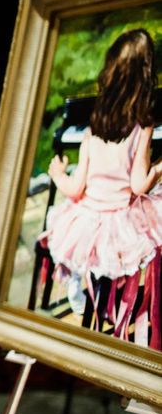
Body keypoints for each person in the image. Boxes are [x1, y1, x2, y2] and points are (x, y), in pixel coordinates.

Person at [42, 28, 162, 344]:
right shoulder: (143, 126)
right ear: (146, 75)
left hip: (91, 221)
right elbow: (138, 185)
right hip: (121, 222)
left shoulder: (94, 126)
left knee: (95, 254)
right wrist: (159, 169)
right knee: (147, 232)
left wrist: (57, 174)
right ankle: (129, 322)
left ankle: (91, 299)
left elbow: (76, 188)